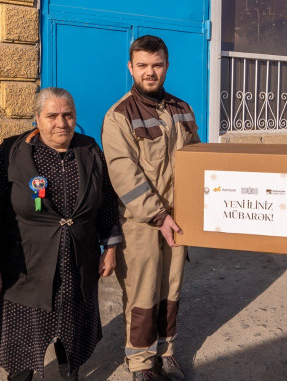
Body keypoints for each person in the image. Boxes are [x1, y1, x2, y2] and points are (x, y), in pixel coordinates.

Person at [0, 87, 122, 380]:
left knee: (72, 339)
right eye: (52, 116)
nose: (61, 123)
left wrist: (110, 248)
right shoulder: (12, 152)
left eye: (68, 115)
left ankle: (70, 374)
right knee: (22, 346)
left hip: (75, 265)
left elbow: (106, 203)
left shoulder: (90, 150)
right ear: (37, 118)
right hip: (24, 268)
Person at [101, 35, 200, 381]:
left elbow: (197, 159)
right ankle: (141, 362)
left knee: (171, 290)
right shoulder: (119, 116)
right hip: (141, 222)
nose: (150, 72)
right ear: (131, 68)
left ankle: (166, 352)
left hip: (179, 219)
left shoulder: (182, 108)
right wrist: (158, 215)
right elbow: (123, 173)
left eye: (157, 65)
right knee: (143, 295)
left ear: (167, 66)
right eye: (142, 65)